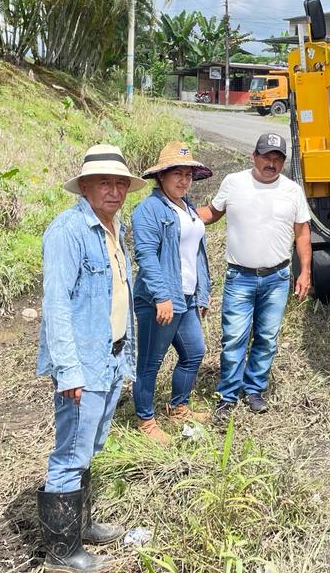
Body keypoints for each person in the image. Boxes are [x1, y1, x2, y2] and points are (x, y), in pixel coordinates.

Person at [34, 144, 145, 573]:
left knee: (90, 446)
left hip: (110, 357)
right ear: (84, 187)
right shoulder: (69, 231)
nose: (114, 191)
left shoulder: (112, 228)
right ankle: (62, 552)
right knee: (70, 454)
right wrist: (69, 371)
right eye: (104, 183)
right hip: (83, 363)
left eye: (120, 184)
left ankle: (81, 524)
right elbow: (56, 305)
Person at [198, 132, 312, 424]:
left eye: (277, 159)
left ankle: (254, 389)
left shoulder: (292, 190)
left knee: (266, 337)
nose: (271, 163)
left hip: (277, 278)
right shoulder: (234, 183)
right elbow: (211, 213)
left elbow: (302, 232)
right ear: (254, 157)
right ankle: (227, 396)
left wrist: (305, 271)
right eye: (266, 157)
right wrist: (176, 211)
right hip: (240, 277)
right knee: (234, 337)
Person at [131, 141, 214, 445]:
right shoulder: (149, 210)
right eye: (177, 173)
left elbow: (196, 253)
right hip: (160, 300)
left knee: (194, 353)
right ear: (161, 176)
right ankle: (146, 421)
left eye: (188, 175)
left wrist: (202, 292)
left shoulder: (187, 206)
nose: (184, 180)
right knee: (150, 362)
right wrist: (161, 296)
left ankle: (179, 408)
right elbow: (146, 255)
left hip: (186, 297)